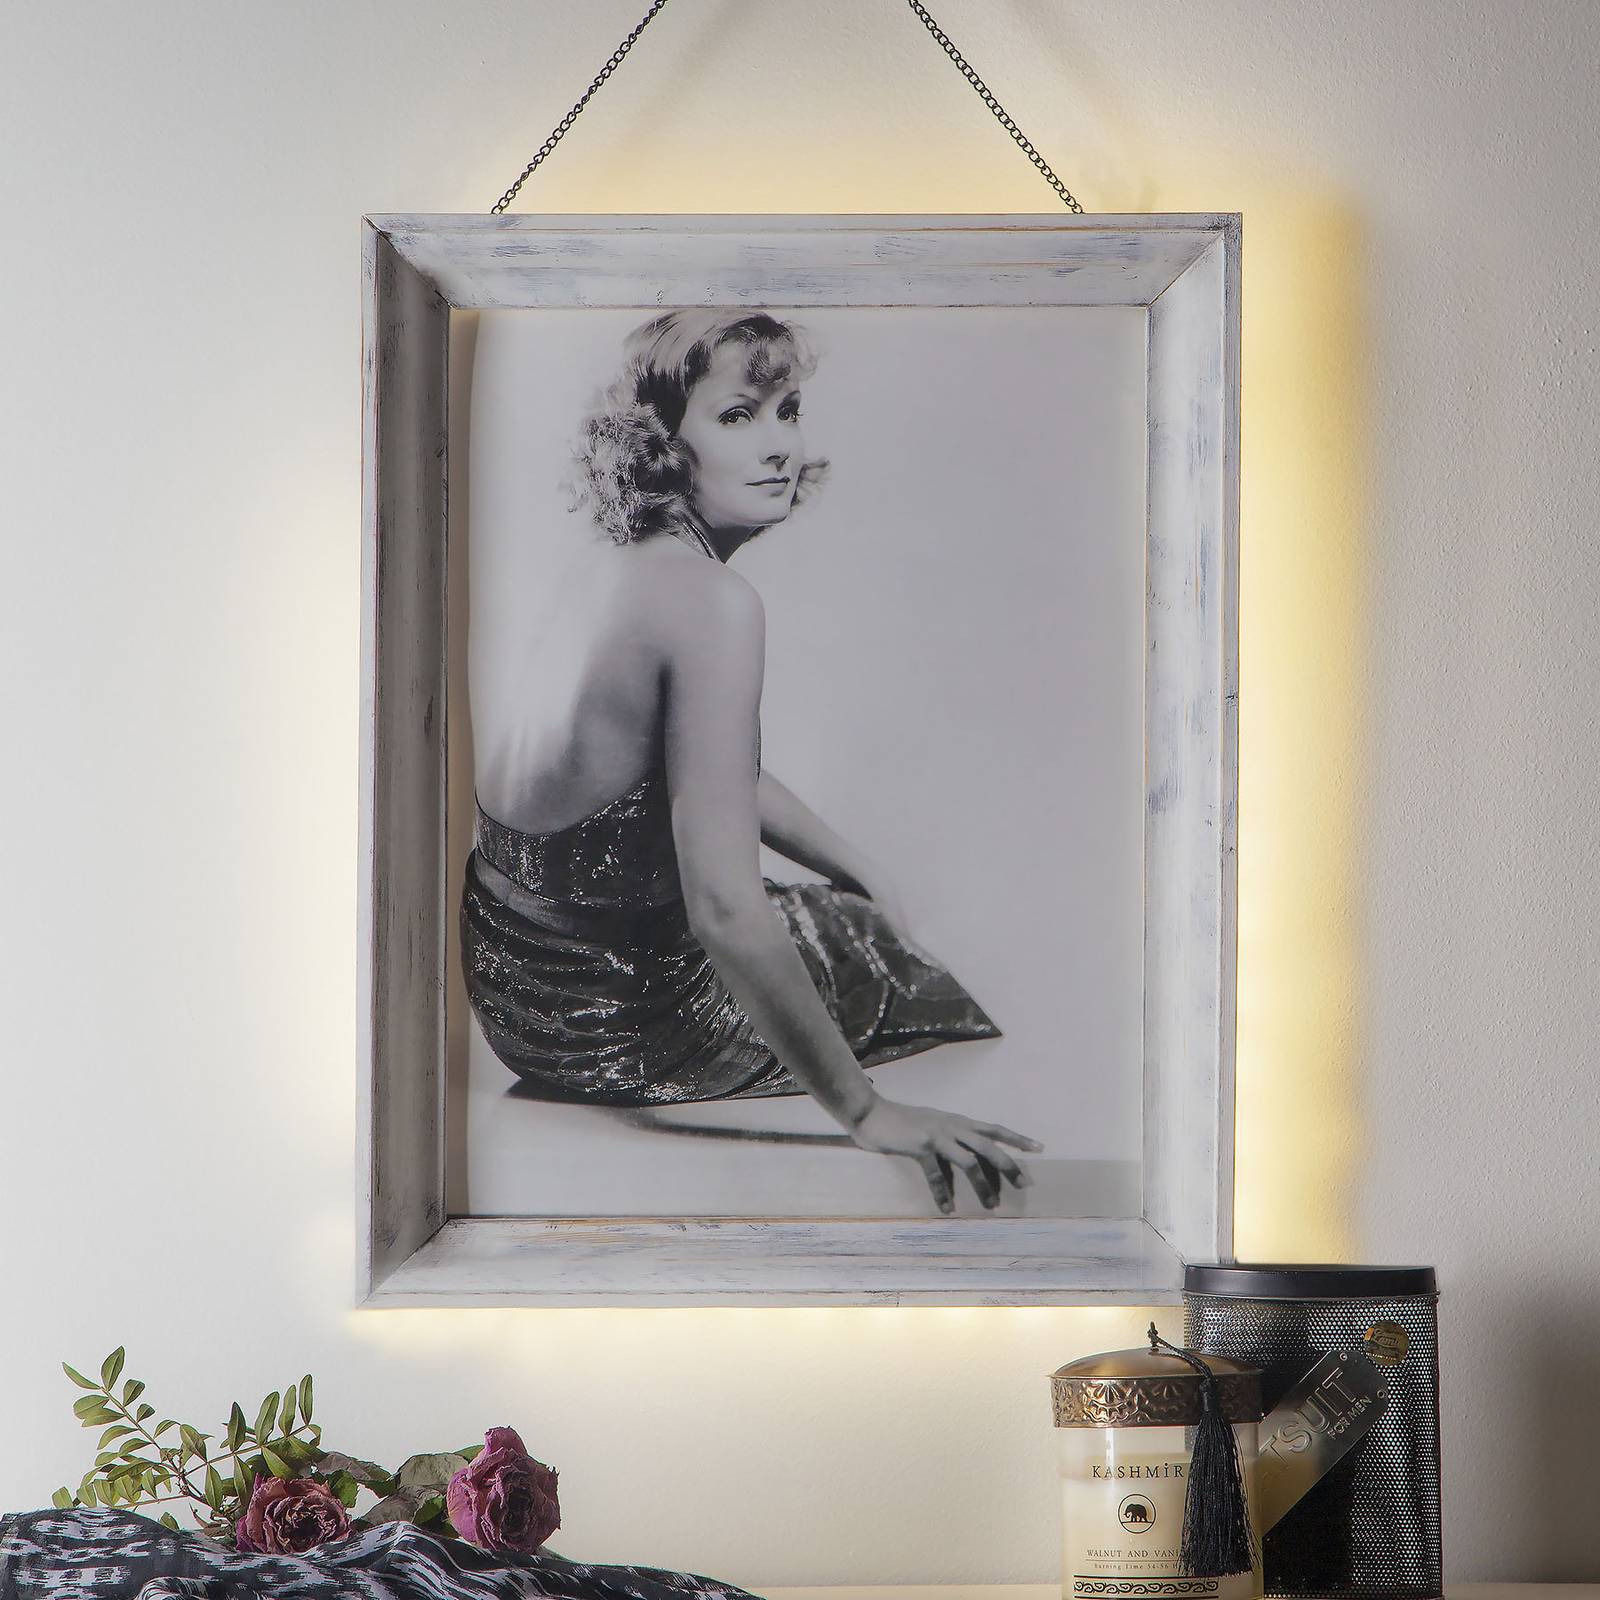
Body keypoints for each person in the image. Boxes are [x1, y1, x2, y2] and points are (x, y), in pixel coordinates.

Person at [461, 309, 1040, 1212]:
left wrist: (856, 862)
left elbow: (694, 772)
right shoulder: (710, 602)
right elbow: (726, 910)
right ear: (661, 442)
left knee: (845, 909)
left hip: (511, 989)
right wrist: (867, 1111)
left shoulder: (610, 567)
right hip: (617, 1021)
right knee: (884, 963)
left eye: (788, 410)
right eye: (738, 415)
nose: (781, 446)